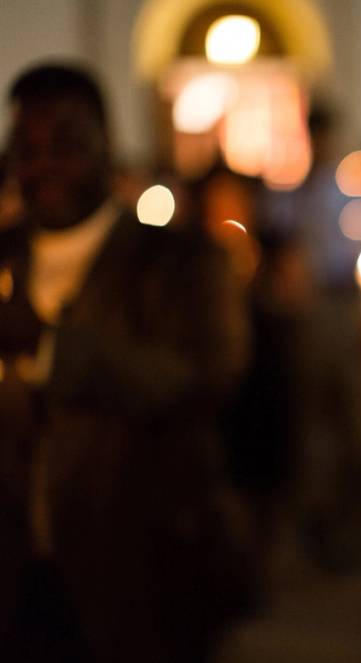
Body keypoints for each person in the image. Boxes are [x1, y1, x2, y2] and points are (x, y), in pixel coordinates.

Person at [0, 63, 254, 662]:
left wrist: (47, 345)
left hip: (143, 578)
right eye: (28, 149)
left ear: (105, 149)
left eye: (66, 145)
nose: (45, 167)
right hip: (15, 582)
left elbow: (206, 377)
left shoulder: (180, 261)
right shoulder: (6, 255)